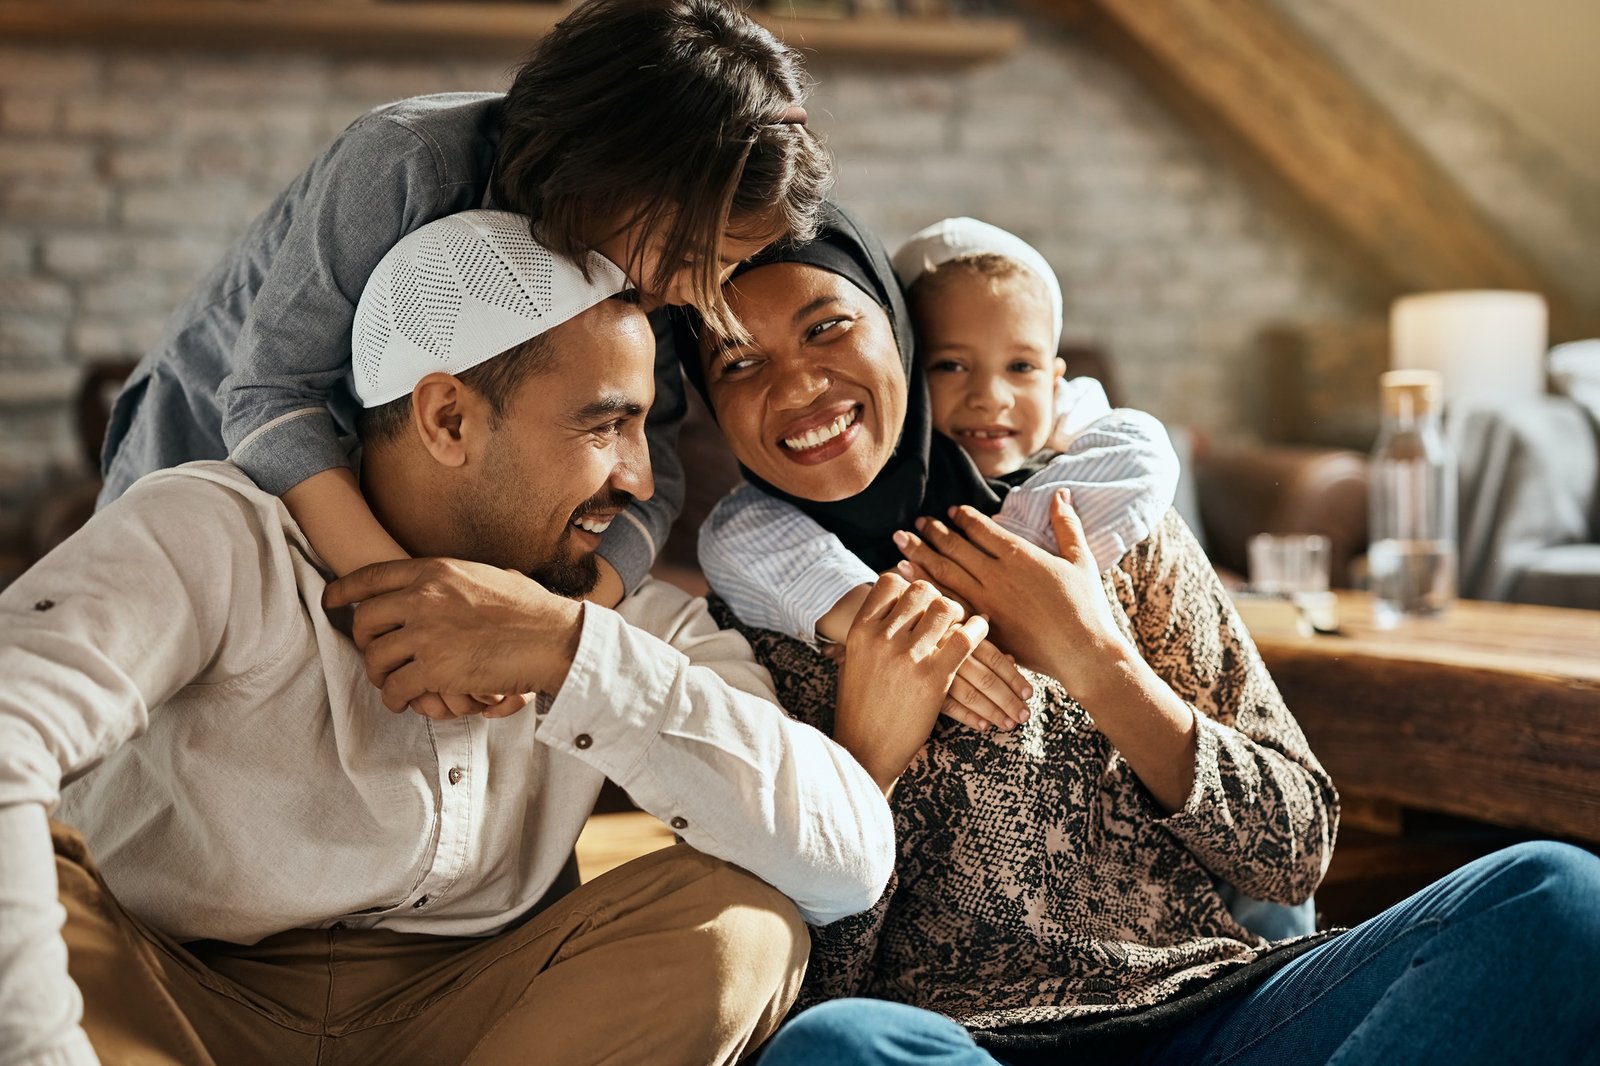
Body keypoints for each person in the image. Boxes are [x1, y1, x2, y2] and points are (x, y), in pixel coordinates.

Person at [676, 207, 1600, 1064]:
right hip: (967, 1044)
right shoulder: (743, 621)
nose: (797, 383)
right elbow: (773, 984)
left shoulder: (1113, 524)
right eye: (737, 363)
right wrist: (863, 757)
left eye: (826, 328)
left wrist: (1097, 657)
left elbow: (1294, 853)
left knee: (1556, 896)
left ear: (895, 330)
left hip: (1216, 1013)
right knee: (840, 1048)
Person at [0, 212, 915, 1066]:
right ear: (448, 419)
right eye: (606, 425)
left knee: (742, 923)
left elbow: (847, 863)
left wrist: (569, 651)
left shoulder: (614, 608)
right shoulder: (214, 532)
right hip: (164, 997)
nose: (642, 482)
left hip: (481, 1017)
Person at [96, 0, 828, 719]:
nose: (689, 293)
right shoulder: (407, 160)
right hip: (216, 440)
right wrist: (400, 604)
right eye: (685, 256)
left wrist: (545, 622)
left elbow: (656, 469)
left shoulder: (651, 277)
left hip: (387, 512)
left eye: (723, 269)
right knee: (171, 696)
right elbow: (271, 395)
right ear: (608, 171)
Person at [695, 216, 1180, 733]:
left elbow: (1139, 447)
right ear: (912, 358)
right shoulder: (758, 539)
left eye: (825, 328)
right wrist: (886, 619)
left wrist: (995, 572)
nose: (991, 397)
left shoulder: (1097, 498)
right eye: (950, 365)